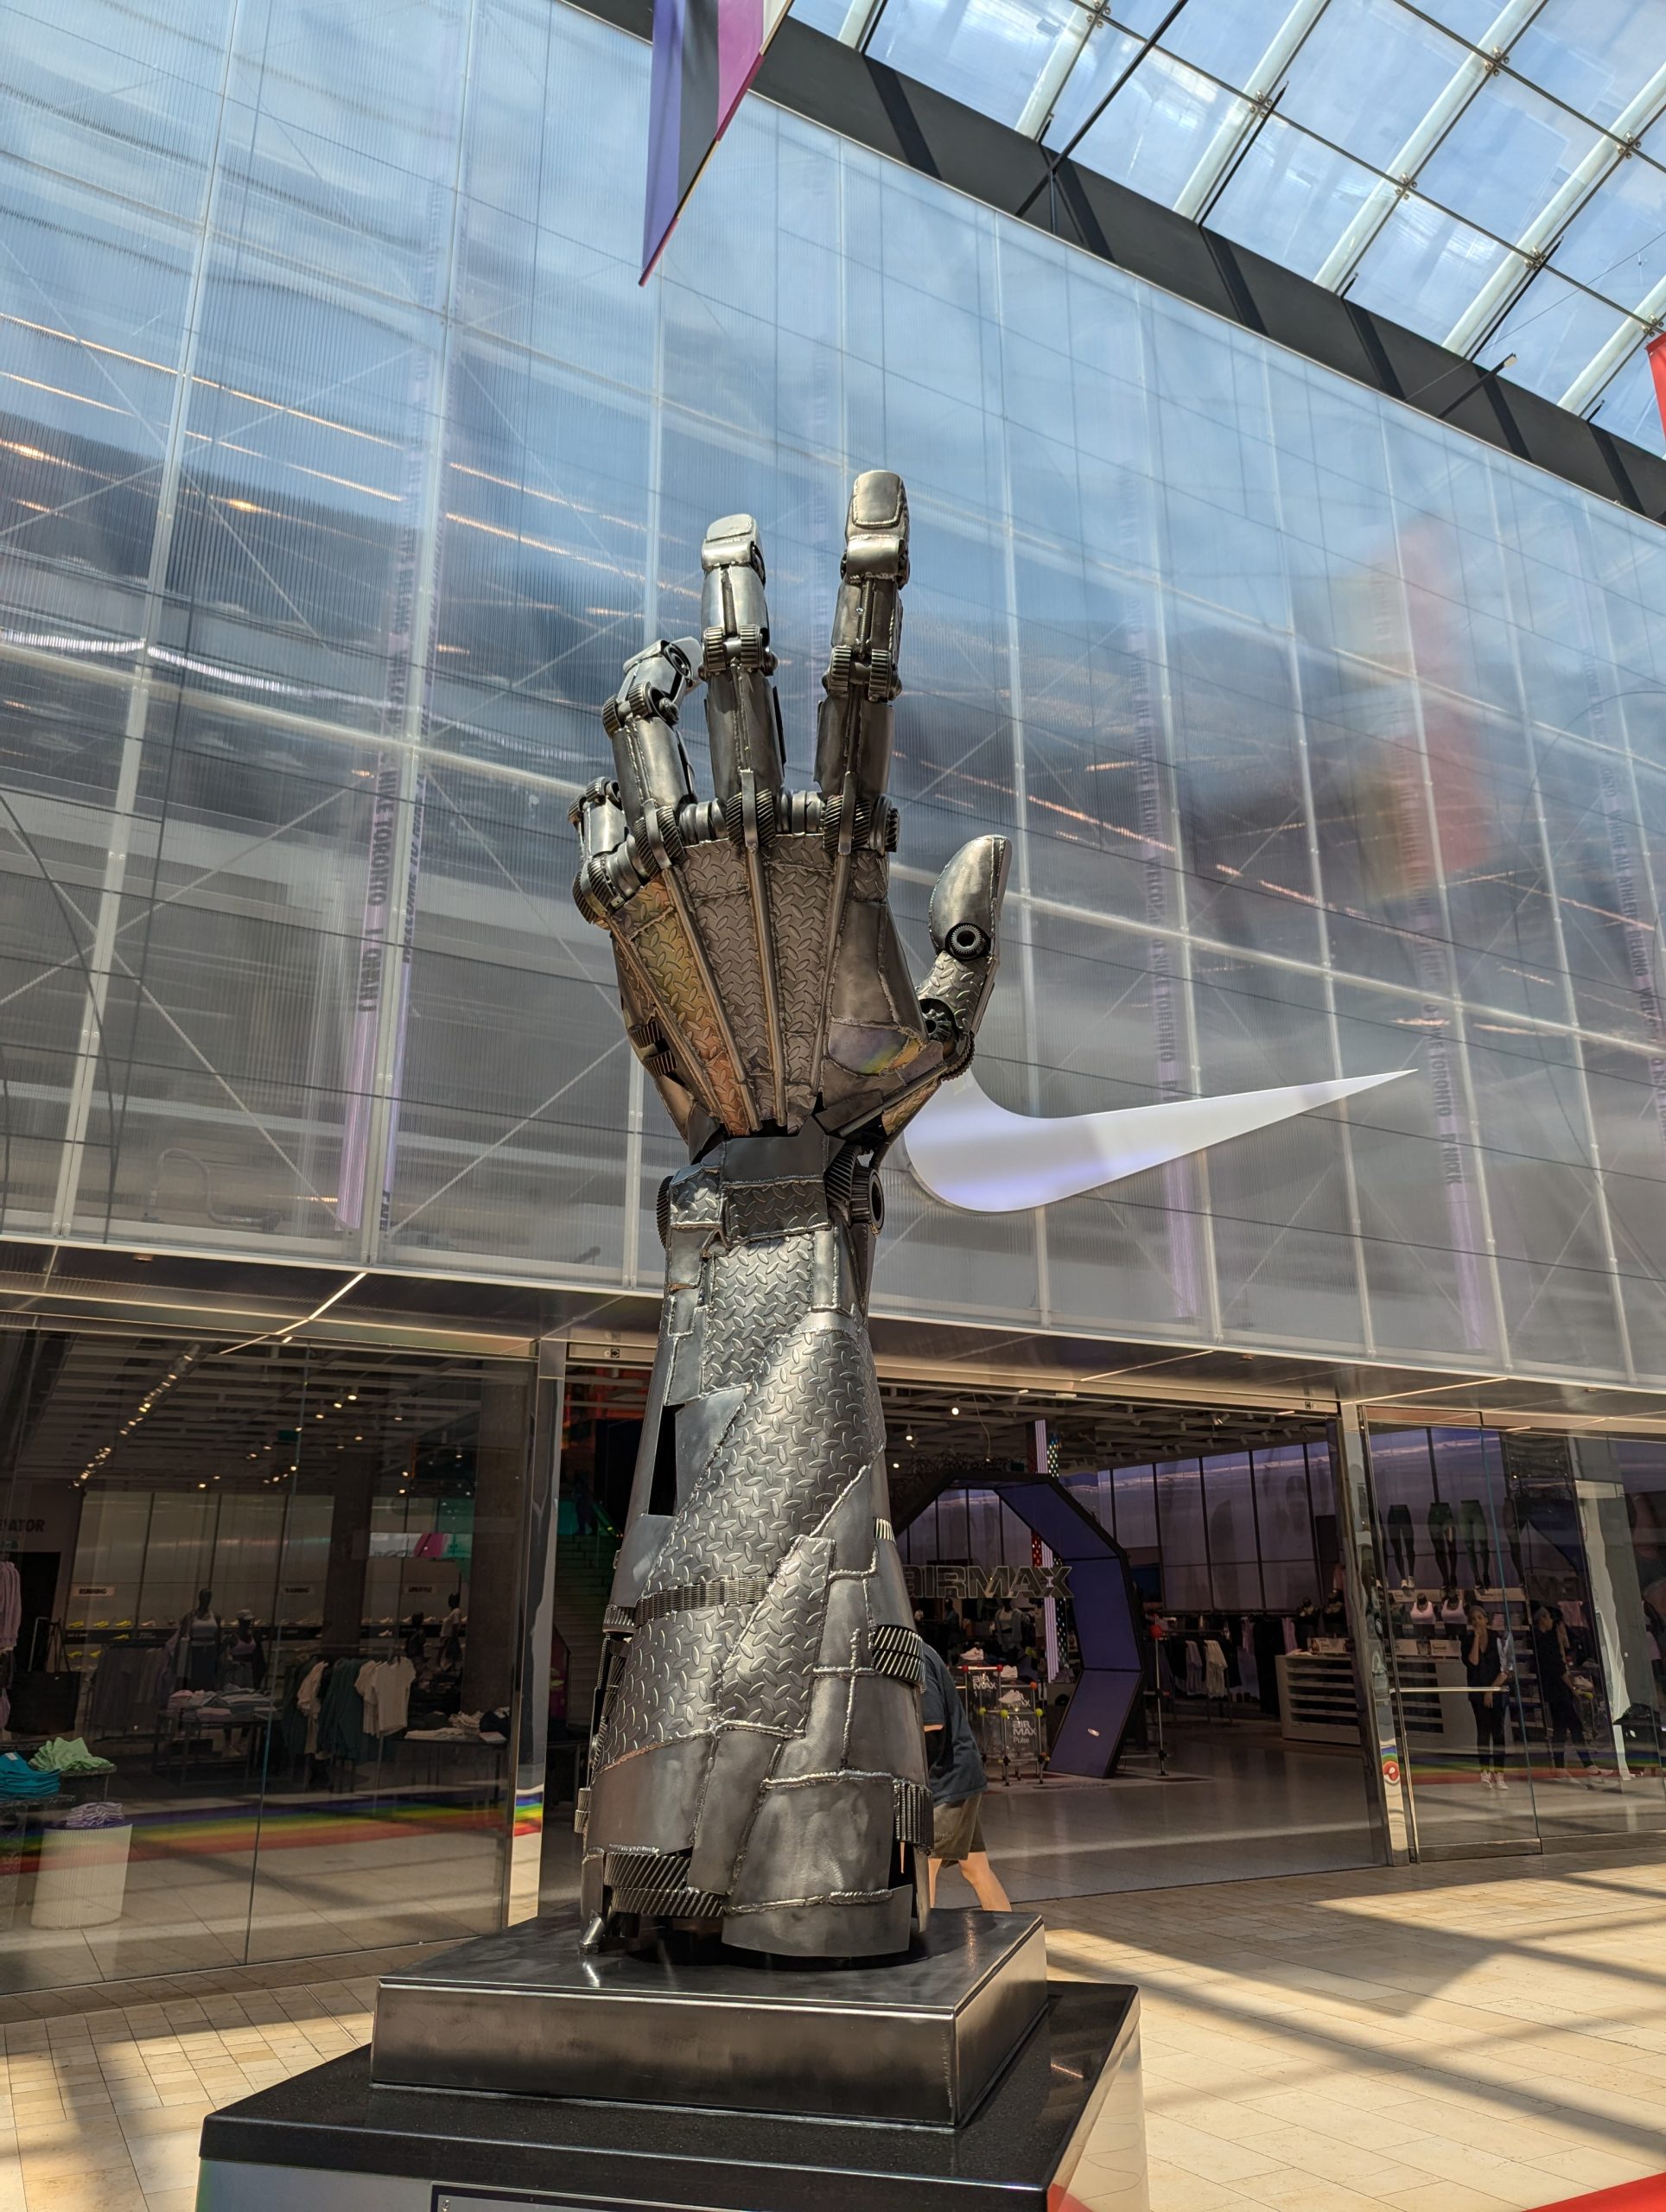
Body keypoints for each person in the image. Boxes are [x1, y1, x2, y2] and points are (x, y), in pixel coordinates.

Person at [919, 1640, 1011, 1912]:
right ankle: (1010, 1931)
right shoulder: (920, 1651)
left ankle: (921, 1936)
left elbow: (931, 1722)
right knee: (976, 1869)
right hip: (957, 1773)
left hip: (949, 1778)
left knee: (924, 1863)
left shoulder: (914, 1658)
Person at [1530, 1603, 1599, 1783]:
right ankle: (1587, 1765)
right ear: (1542, 1619)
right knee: (1575, 1726)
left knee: (1560, 1728)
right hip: (1558, 1690)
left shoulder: (1545, 1640)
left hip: (1554, 1691)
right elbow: (1559, 1668)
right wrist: (1572, 1688)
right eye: (1548, 1618)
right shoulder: (1545, 1642)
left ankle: (1561, 1767)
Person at [1464, 1599, 1510, 1790]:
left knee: (1497, 1732)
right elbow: (1473, 1662)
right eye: (1473, 1619)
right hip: (1477, 1693)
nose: (1477, 1622)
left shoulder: (1496, 1638)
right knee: (1483, 1732)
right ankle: (1484, 1771)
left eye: (1480, 1618)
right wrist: (1476, 1638)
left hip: (1496, 1691)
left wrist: (1491, 1690)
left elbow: (1505, 1669)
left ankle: (1499, 1774)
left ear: (1486, 1620)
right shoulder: (1467, 1640)